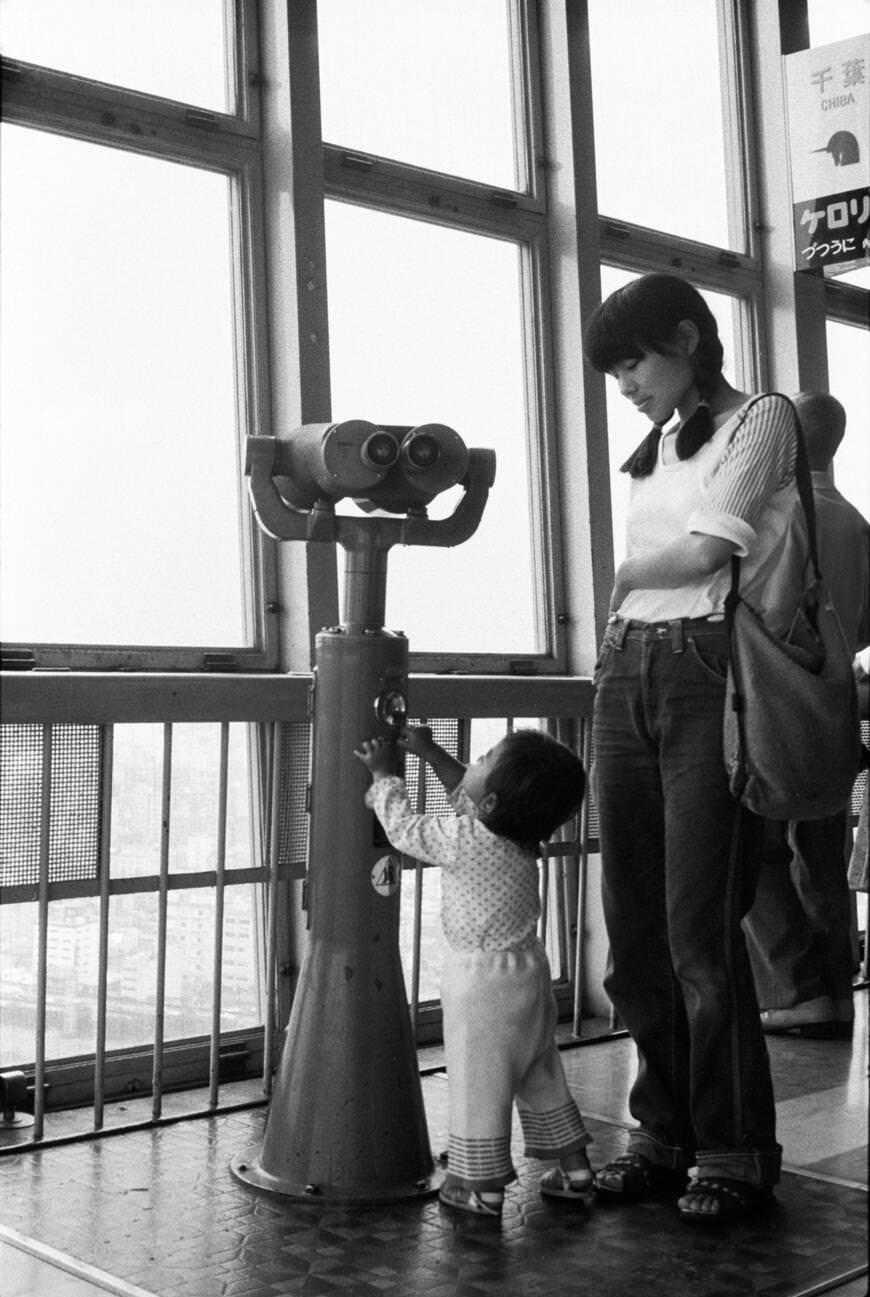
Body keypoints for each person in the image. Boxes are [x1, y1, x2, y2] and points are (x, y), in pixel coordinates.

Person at [582, 272, 803, 1225]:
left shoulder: (762, 418)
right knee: (631, 936)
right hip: (626, 671)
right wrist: (617, 627)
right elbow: (651, 579)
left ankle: (734, 1146)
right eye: (614, 370)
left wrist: (628, 570)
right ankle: (662, 1133)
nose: (624, 382)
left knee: (698, 934)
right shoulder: (658, 443)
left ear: (686, 337)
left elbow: (708, 553)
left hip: (706, 671)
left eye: (632, 361)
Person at [354, 724, 593, 1218]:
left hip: (481, 987)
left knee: (478, 1084)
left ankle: (481, 1189)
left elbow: (405, 830)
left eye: (484, 758)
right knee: (539, 1072)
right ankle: (577, 1171)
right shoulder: (522, 836)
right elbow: (470, 791)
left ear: (488, 805)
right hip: (530, 974)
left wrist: (384, 777)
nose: (473, 765)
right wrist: (430, 751)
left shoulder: (462, 838)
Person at [743, 393, 870, 1038]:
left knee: (756, 849)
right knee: (822, 855)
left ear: (786, 441)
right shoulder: (853, 520)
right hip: (837, 706)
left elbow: (763, 611)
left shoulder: (782, 512)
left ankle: (796, 989)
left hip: (778, 703)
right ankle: (839, 990)